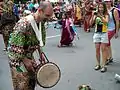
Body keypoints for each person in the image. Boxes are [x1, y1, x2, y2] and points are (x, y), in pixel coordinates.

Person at [7, 1, 53, 90]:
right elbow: (12, 47)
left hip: (28, 55)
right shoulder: (24, 23)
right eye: (47, 16)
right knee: (23, 84)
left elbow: (39, 40)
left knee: (32, 81)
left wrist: (41, 53)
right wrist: (25, 60)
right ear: (40, 11)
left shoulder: (41, 22)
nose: (49, 18)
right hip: (17, 58)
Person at [90, 2, 109, 72]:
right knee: (97, 49)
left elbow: (106, 22)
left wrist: (100, 16)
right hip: (97, 33)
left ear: (104, 8)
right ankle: (98, 64)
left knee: (103, 49)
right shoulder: (95, 14)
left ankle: (104, 65)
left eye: (102, 7)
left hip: (104, 33)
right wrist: (93, 16)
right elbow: (90, 23)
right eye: (99, 7)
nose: (100, 9)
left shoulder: (106, 14)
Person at [104, 0, 119, 65]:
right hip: (105, 29)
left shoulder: (114, 10)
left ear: (111, 2)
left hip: (112, 29)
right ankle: (110, 57)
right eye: (105, 1)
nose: (107, 3)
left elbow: (117, 22)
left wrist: (116, 32)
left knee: (105, 42)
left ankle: (107, 58)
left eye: (108, 1)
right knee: (107, 43)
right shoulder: (104, 10)